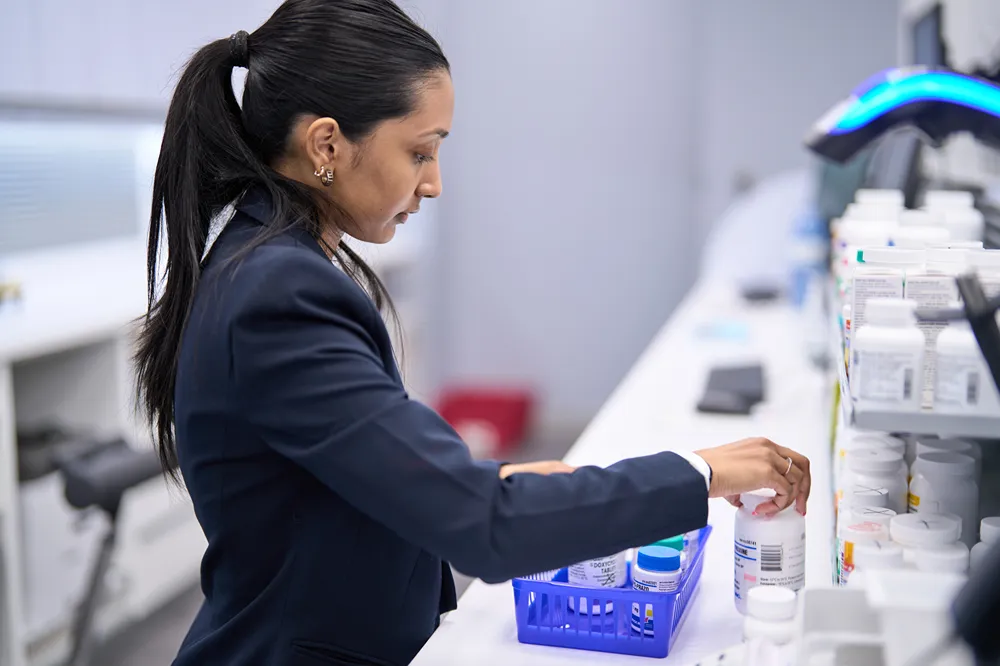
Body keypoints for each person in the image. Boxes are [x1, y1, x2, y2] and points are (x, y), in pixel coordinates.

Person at [134, 1, 812, 664]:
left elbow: (369, 478)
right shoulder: (279, 295)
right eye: (419, 152)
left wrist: (500, 483)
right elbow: (486, 527)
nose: (433, 184)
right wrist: (704, 473)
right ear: (327, 143)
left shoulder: (271, 262)